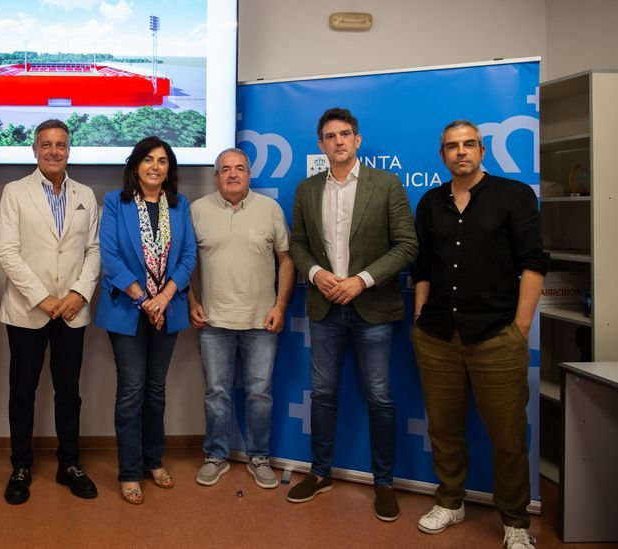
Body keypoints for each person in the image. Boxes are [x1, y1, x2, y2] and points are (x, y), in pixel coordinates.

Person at [411, 120, 547, 549]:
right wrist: (419, 315)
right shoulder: (431, 202)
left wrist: (520, 328)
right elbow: (424, 269)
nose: (460, 152)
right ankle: (450, 501)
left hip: (496, 335)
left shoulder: (514, 196)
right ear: (443, 155)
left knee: (507, 434)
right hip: (437, 336)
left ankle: (515, 522)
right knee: (445, 428)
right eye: (452, 146)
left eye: (468, 144)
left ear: (482, 150)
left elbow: (533, 264)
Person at [287, 107, 418, 521]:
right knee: (322, 394)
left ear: (357, 140)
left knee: (379, 396)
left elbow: (406, 246)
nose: (338, 141)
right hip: (325, 307)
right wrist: (315, 272)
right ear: (320, 144)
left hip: (372, 306)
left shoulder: (387, 184)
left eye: (345, 134)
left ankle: (383, 483)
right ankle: (320, 473)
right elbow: (298, 243)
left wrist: (361, 280)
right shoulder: (307, 189)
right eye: (330, 136)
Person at [0, 119, 101, 504]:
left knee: (69, 392)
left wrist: (78, 293)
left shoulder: (85, 194)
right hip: (28, 310)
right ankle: (21, 465)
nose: (54, 151)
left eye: (61, 145)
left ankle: (68, 464)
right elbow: (6, 250)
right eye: (46, 145)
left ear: (69, 150)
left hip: (73, 311)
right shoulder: (14, 192)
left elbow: (93, 250)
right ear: (34, 150)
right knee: (23, 391)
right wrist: (42, 297)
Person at [95, 136, 197, 505]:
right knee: (131, 391)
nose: (156, 166)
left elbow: (187, 257)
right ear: (135, 165)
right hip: (127, 308)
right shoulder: (114, 202)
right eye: (149, 160)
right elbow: (110, 257)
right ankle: (128, 470)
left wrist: (164, 298)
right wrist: (145, 300)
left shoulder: (179, 204)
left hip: (167, 309)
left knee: (156, 390)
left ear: (170, 168)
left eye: (163, 161)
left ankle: (153, 460)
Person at [188, 148, 294, 489]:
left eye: (240, 168)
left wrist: (280, 306)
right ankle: (216, 456)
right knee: (216, 393)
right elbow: (184, 263)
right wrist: (191, 300)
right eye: (225, 169)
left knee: (259, 393)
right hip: (214, 322)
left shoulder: (270, 209)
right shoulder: (198, 210)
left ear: (249, 173)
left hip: (261, 321)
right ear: (216, 175)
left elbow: (287, 260)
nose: (233, 174)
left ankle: (259, 457)